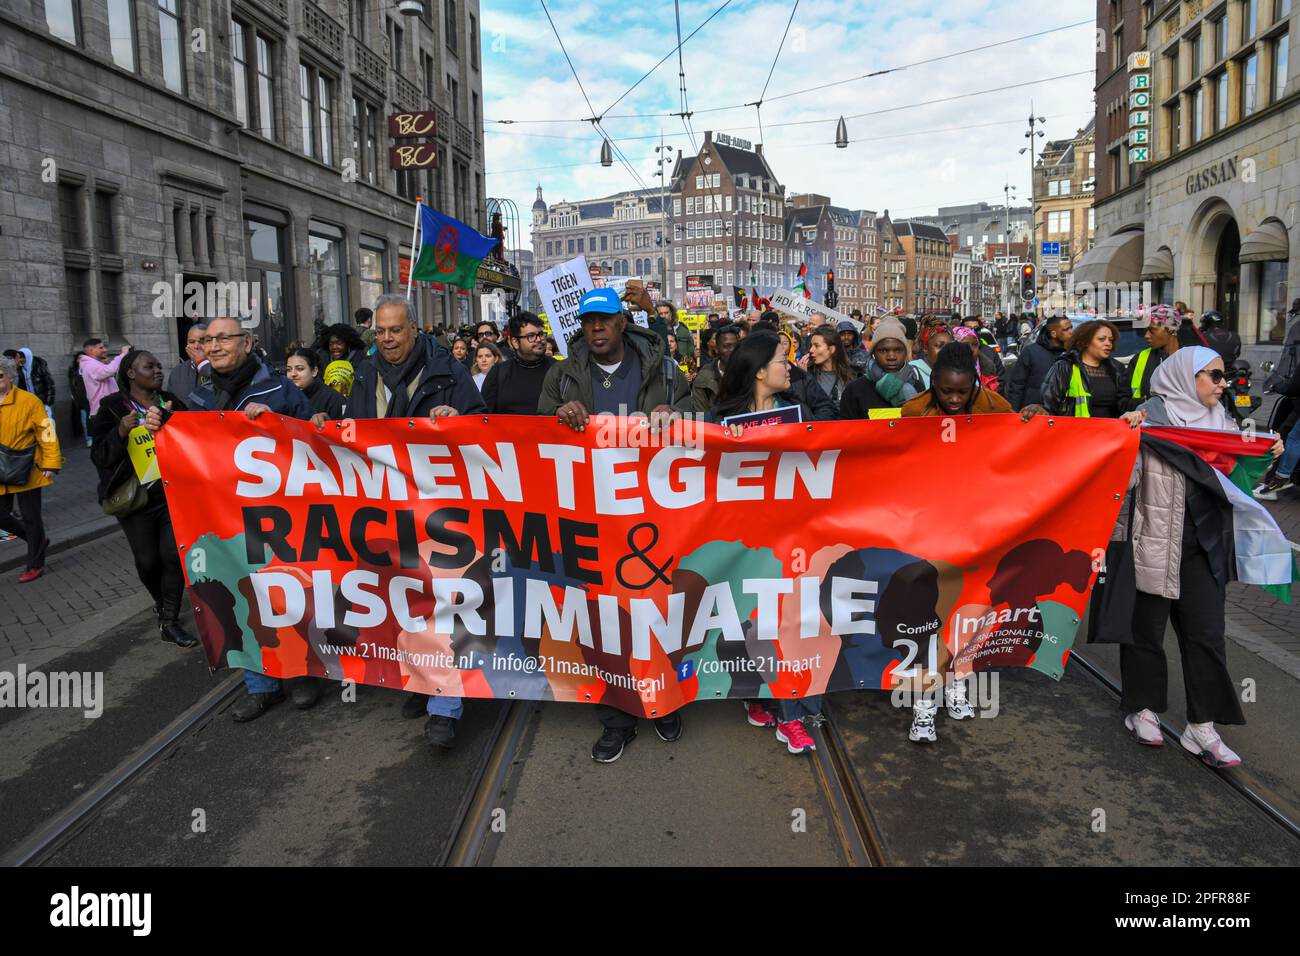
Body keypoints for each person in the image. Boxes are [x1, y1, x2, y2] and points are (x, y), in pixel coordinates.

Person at [540, 287, 691, 762]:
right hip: (590, 514)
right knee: (602, 617)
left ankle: (663, 702)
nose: (597, 328)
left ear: (622, 323)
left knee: (658, 608)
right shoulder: (563, 375)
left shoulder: (664, 370)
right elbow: (534, 434)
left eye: (604, 319)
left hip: (654, 513)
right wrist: (556, 418)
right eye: (589, 322)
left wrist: (677, 414)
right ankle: (616, 716)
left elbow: (698, 424)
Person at [1115, 347, 1283, 767]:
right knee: (1146, 631)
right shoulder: (1149, 419)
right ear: (1186, 378)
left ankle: (1202, 725)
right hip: (1153, 540)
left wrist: (1265, 455)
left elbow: (1236, 484)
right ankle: (1144, 710)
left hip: (1206, 547)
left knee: (1206, 635)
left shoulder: (1222, 424)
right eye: (1215, 375)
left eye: (1223, 375)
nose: (1223, 383)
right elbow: (1122, 482)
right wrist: (1124, 439)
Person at [331, 294, 485, 748]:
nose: (387, 339)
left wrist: (459, 419)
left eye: (395, 330)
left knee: (440, 606)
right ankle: (421, 682)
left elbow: (482, 427)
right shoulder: (363, 373)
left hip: (440, 513)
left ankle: (444, 707)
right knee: (402, 602)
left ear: (414, 330)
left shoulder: (448, 373)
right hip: (383, 512)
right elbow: (349, 432)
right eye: (379, 331)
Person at [177, 318, 314, 719]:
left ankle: (301, 674)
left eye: (222, 338)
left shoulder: (279, 388)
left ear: (247, 342)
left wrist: (276, 422)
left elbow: (314, 438)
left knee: (286, 593)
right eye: (206, 341)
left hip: (279, 517)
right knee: (240, 597)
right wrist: (162, 428)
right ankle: (260, 685)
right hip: (223, 520)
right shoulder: (198, 396)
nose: (213, 346)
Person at [708, 333, 819, 753]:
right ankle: (754, 692)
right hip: (740, 542)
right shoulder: (719, 419)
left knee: (787, 624)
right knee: (744, 621)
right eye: (780, 360)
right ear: (758, 370)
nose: (788, 366)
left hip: (790, 539)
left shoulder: (800, 412)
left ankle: (790, 717)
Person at [89, 349, 196, 648]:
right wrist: (122, 431)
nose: (158, 370)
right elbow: (100, 456)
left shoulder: (172, 402)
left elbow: (194, 441)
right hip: (136, 500)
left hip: (172, 495)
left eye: (159, 366)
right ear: (131, 373)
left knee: (174, 556)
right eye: (150, 366)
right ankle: (161, 603)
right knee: (148, 562)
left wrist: (174, 421)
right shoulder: (111, 407)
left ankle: (170, 621)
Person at [0, 354, 60, 583]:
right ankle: (37, 540)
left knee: (31, 517)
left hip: (26, 468)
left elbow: (46, 433)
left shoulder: (29, 401)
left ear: (11, 376)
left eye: (0, 375)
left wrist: (51, 462)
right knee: (2, 517)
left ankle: (35, 564)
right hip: (0, 470)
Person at [1039, 319, 1131, 418]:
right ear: (1085, 342)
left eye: (1110, 340)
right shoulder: (1064, 366)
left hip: (1109, 432)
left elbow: (1123, 404)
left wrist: (1139, 405)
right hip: (1075, 431)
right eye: (1101, 339)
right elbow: (1048, 405)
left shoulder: (1117, 369)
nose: (1108, 343)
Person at [839, 316, 923, 420]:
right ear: (873, 353)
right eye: (883, 350)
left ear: (905, 352)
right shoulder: (855, 391)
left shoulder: (918, 389)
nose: (891, 357)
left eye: (898, 350)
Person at [482, 312, 551, 414]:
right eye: (531, 336)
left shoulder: (558, 369)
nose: (539, 340)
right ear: (515, 342)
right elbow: (484, 416)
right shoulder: (499, 373)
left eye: (541, 334)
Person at [1003, 314, 1072, 410]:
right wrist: (1014, 414)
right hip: (1033, 415)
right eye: (1066, 329)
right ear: (1053, 334)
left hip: (1062, 416)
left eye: (1071, 328)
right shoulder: (1030, 352)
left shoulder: (1072, 354)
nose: (1071, 332)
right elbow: (1017, 385)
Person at [1123, 304, 1182, 406]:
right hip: (1146, 420)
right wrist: (1141, 403)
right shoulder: (1139, 359)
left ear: (1171, 329)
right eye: (1146, 330)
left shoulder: (1190, 359)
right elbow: (1122, 400)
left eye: (1152, 330)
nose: (1146, 335)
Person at [798, 323, 857, 405]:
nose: (811, 350)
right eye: (811, 345)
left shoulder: (852, 374)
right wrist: (803, 376)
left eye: (816, 346)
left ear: (832, 349)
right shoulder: (808, 374)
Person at [286, 348, 347, 419]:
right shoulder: (285, 395)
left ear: (314, 371)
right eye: (289, 369)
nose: (293, 374)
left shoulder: (334, 399)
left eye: (300, 369)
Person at [691, 324, 740, 412]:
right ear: (717, 349)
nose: (732, 350)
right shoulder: (703, 379)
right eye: (726, 346)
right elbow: (698, 417)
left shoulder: (750, 373)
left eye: (736, 346)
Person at [78, 338, 130, 417]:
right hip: (102, 411)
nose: (105, 350)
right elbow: (108, 371)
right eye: (101, 348)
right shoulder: (89, 365)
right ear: (91, 351)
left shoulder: (93, 364)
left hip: (109, 408)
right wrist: (123, 355)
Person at [4, 348, 56, 419]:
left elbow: (50, 384)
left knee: (46, 424)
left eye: (21, 358)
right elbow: (20, 386)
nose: (19, 361)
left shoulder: (39, 366)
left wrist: (47, 403)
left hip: (42, 402)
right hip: (29, 403)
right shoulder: (18, 369)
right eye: (18, 358)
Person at [166, 323, 210, 400]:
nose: (196, 346)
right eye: (192, 342)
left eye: (202, 341)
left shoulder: (221, 367)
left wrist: (202, 363)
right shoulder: (176, 372)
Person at [908, 324, 952, 390]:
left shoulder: (952, 373)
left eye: (949, 347)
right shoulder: (912, 372)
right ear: (925, 349)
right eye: (940, 346)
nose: (946, 351)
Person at [67, 353, 91, 447]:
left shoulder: (89, 369)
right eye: (79, 358)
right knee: (84, 419)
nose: (81, 360)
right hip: (81, 399)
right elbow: (72, 386)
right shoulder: (73, 371)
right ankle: (88, 439)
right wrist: (75, 398)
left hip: (92, 398)